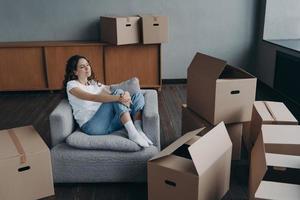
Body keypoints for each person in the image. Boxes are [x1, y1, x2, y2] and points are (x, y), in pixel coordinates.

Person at [63, 55, 152, 147]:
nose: (87, 68)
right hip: (92, 126)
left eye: (87, 65)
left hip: (110, 123)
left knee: (137, 95)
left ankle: (138, 129)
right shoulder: (72, 85)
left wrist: (126, 95)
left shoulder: (93, 83)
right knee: (118, 94)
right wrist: (119, 97)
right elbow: (92, 97)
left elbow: (110, 92)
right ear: (75, 72)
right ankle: (133, 133)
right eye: (82, 67)